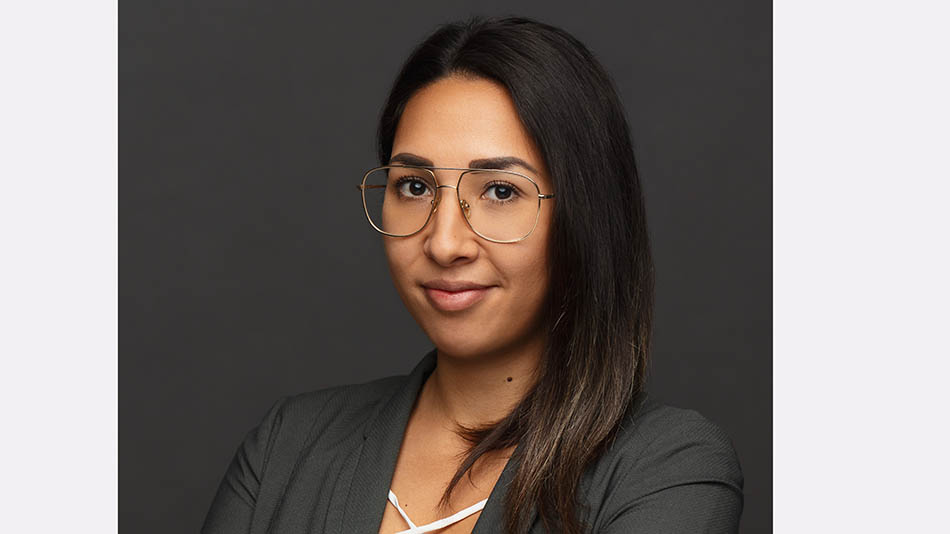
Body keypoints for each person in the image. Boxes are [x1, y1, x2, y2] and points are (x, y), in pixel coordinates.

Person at [201, 15, 743, 534]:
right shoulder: (287, 447)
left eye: (500, 191)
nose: (444, 243)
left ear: (587, 216)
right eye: (415, 186)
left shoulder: (667, 468)